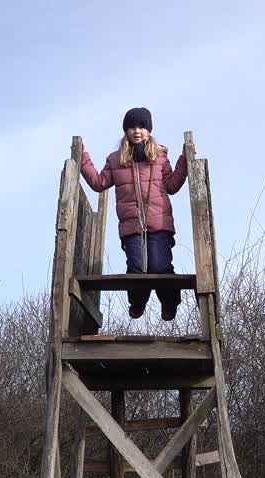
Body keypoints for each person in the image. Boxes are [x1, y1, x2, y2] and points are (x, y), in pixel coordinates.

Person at [80, 107, 192, 321]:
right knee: (137, 268)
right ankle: (138, 302)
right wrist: (84, 157)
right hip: (131, 226)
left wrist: (184, 161)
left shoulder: (159, 157)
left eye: (141, 126)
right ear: (126, 131)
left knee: (160, 266)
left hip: (159, 224)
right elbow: (99, 183)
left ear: (148, 130)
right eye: (131, 127)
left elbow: (172, 185)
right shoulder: (115, 160)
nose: (137, 130)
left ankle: (169, 303)